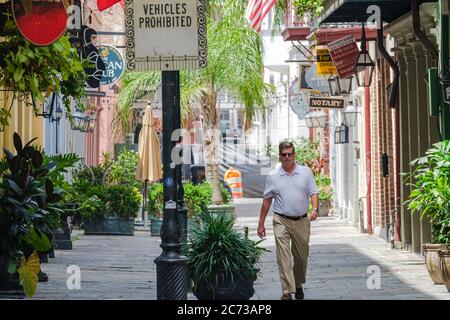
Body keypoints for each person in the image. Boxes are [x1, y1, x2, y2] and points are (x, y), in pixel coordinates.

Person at [258, 140, 319, 300]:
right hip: (281, 220)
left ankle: (298, 284)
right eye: (284, 155)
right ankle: (287, 291)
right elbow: (267, 200)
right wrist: (261, 223)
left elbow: (314, 192)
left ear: (294, 155)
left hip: (301, 220)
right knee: (283, 255)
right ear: (280, 156)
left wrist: (315, 209)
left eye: (289, 154)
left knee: (301, 256)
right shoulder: (273, 176)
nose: (287, 157)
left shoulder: (305, 172)